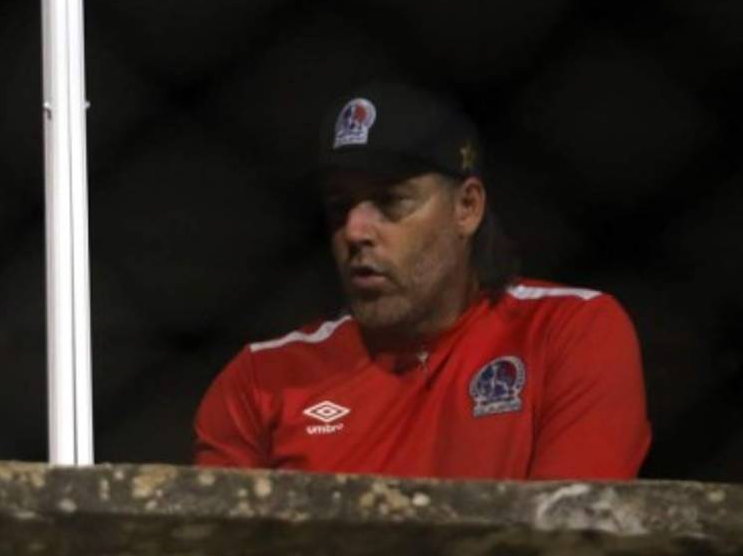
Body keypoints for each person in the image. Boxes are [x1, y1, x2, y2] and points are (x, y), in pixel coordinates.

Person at [194, 83, 651, 479]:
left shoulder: (569, 332)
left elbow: (569, 553)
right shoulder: (261, 380)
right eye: (339, 206)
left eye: (390, 201)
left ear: (467, 208)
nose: (354, 231)